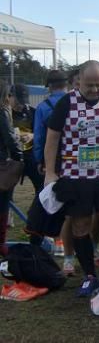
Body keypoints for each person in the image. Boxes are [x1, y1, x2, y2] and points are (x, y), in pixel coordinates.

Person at [43, 61, 99, 295]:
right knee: (80, 226)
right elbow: (52, 139)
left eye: (98, 85)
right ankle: (89, 274)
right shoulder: (66, 102)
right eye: (89, 85)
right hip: (75, 176)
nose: (94, 90)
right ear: (78, 81)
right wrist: (50, 171)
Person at [33, 69, 75, 273]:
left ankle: (60, 247)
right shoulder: (75, 102)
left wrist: (40, 162)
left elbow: (39, 137)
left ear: (48, 86)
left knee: (56, 205)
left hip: (55, 163)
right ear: (66, 84)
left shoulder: (43, 107)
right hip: (76, 162)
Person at [0, 82, 21, 256]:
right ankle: (1, 243)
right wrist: (19, 157)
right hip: (2, 163)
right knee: (2, 205)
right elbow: (9, 138)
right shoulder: (3, 111)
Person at [10, 84, 42, 193]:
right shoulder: (4, 114)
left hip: (30, 155)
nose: (21, 105)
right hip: (11, 157)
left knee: (41, 186)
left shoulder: (32, 112)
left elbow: (40, 131)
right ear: (11, 97)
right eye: (18, 102)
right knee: (6, 189)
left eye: (23, 102)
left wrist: (31, 136)